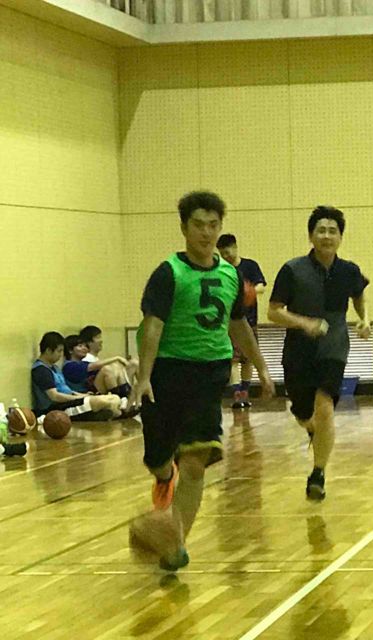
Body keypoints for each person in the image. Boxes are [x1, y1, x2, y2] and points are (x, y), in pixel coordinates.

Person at [128, 190, 275, 571]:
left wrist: (261, 367)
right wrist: (144, 377)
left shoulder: (232, 275)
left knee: (195, 463)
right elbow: (153, 326)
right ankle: (164, 475)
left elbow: (238, 324)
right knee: (159, 459)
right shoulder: (168, 273)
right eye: (198, 225)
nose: (206, 233)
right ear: (184, 228)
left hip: (210, 372)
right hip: (166, 372)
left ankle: (175, 545)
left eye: (213, 225)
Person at [268, 206, 370, 501]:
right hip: (298, 349)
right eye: (321, 230)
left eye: (332, 231)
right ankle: (312, 428)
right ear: (311, 236)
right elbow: (273, 312)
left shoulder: (349, 270)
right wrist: (305, 323)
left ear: (340, 237)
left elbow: (359, 293)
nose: (327, 236)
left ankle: (318, 473)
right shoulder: (292, 270)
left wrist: (364, 319)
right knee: (304, 413)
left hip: (333, 346)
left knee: (325, 406)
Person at [216, 234, 267, 409]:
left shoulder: (250, 266)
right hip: (229, 322)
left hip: (250, 320)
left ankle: (245, 392)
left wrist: (249, 292)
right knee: (233, 360)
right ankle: (236, 394)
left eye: (228, 252)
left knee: (248, 359)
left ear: (235, 247)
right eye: (222, 254)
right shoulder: (221, 270)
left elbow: (261, 286)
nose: (226, 256)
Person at [31, 332, 122, 421]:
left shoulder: (54, 367)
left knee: (114, 398)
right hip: (56, 408)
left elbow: (68, 391)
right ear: (48, 350)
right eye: (59, 351)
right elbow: (55, 396)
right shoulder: (41, 370)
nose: (61, 354)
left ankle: (98, 413)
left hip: (70, 401)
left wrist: (84, 395)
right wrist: (80, 398)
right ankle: (97, 413)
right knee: (104, 402)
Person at [63, 334, 131, 397]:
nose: (85, 348)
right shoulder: (69, 366)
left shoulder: (83, 363)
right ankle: (119, 397)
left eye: (85, 346)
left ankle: (125, 396)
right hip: (80, 395)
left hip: (91, 392)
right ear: (70, 350)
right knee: (106, 369)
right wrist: (117, 358)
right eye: (80, 346)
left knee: (115, 367)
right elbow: (92, 366)